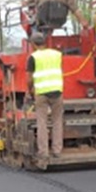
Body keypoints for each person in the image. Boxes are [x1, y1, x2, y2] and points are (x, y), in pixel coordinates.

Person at [26, 32, 64, 164]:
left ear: (33, 44)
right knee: (57, 121)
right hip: (57, 92)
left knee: (42, 122)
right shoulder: (57, 54)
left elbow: (29, 78)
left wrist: (29, 90)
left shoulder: (33, 57)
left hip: (41, 93)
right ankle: (57, 151)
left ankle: (43, 152)